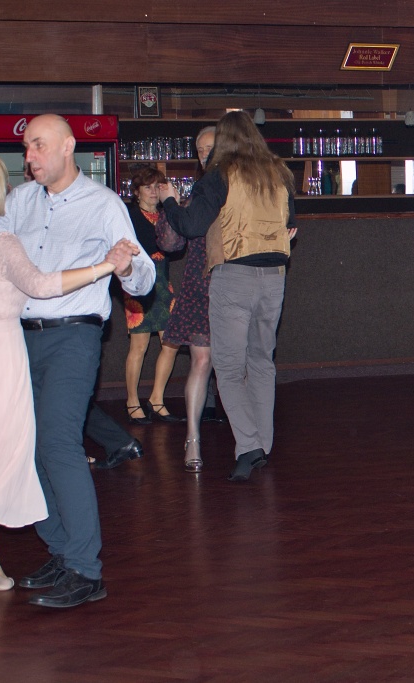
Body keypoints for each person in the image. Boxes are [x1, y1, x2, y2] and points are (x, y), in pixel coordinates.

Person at [0, 114, 155, 608]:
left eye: (38, 146)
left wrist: (126, 267)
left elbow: (143, 278)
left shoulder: (104, 204)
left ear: (69, 146)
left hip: (74, 335)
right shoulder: (17, 203)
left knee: (56, 442)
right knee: (22, 449)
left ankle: (87, 570)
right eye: (26, 148)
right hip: (15, 341)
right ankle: (63, 551)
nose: (29, 157)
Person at [160, 111, 297, 482]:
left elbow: (191, 226)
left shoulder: (219, 174)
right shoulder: (279, 173)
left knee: (228, 366)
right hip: (275, 277)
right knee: (262, 361)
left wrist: (170, 202)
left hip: (234, 276)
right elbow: (290, 223)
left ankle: (249, 445)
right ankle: (262, 445)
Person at [158, 125, 226, 473]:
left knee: (239, 365)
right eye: (199, 149)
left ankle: (250, 439)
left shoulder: (237, 188)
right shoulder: (197, 194)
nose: (204, 154)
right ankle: (193, 438)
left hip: (234, 283)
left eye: (209, 147)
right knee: (201, 361)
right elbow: (171, 244)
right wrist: (168, 205)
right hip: (201, 284)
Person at [122, 165, 180, 424]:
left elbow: (178, 246)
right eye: (148, 187)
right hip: (138, 284)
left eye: (158, 186)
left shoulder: (167, 214)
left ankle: (157, 399)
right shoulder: (129, 215)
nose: (154, 191)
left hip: (163, 283)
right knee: (139, 346)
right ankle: (132, 401)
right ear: (137, 191)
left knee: (171, 343)